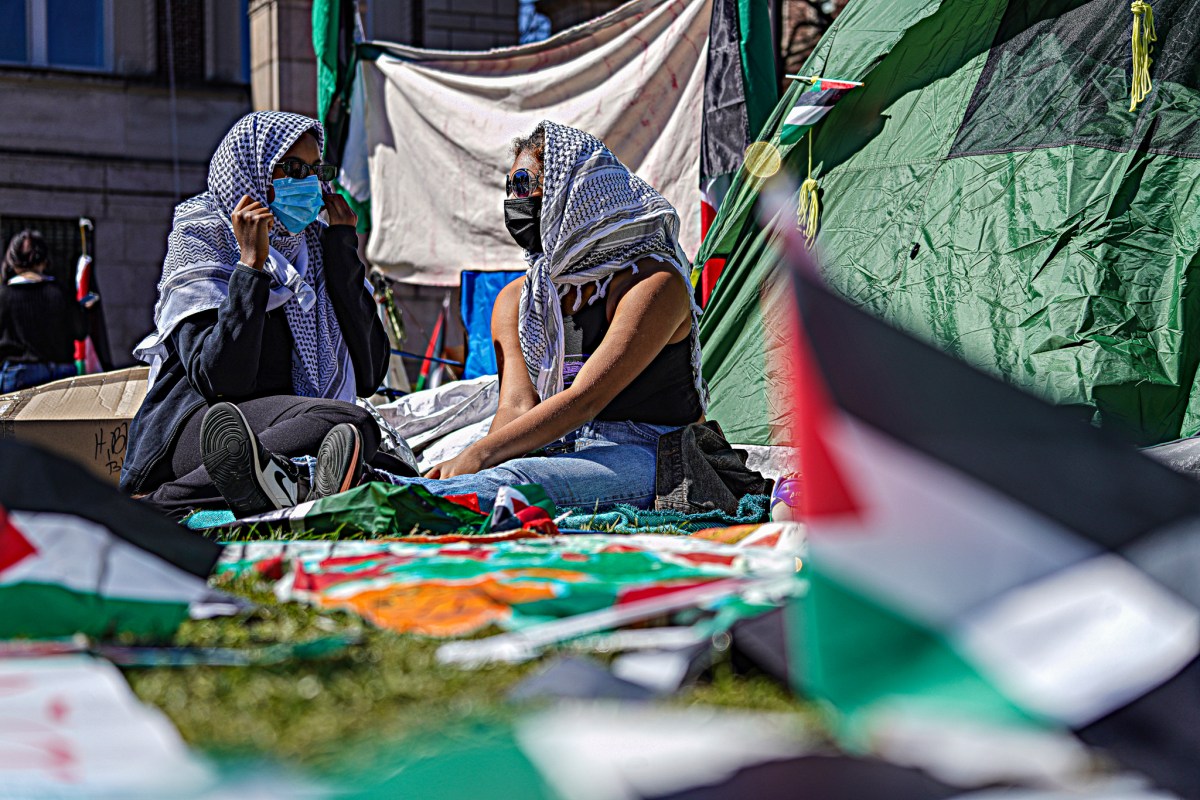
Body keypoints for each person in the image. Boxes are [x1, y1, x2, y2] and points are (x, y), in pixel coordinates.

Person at [306, 120, 709, 512]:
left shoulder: (654, 283)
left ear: (571, 192)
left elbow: (585, 400)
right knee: (490, 464)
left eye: (522, 185)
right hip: (561, 440)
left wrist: (482, 457)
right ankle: (321, 482)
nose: (513, 202)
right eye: (509, 187)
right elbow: (516, 407)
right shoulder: (519, 300)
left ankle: (373, 497)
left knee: (519, 482)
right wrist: (476, 458)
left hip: (654, 449)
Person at [120, 111, 406, 518]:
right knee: (346, 423)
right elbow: (222, 379)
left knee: (369, 443)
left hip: (286, 429)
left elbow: (370, 372)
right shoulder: (202, 236)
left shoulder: (318, 250)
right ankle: (164, 502)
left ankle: (287, 484)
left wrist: (343, 251)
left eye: (314, 170)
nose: (308, 183)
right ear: (251, 172)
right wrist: (250, 267)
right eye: (291, 168)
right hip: (202, 429)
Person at [0, 230, 93, 393]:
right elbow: (80, 331)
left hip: (18, 374)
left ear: (12, 261)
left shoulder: (3, 295)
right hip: (60, 375)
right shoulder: (61, 292)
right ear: (43, 261)